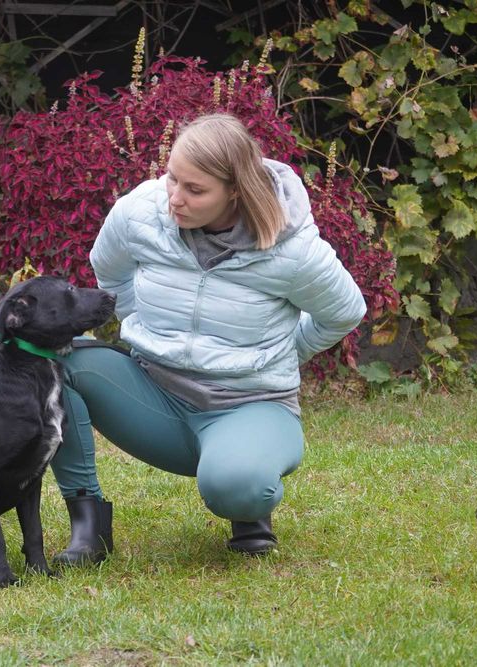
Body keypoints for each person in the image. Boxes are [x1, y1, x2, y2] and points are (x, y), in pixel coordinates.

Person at [49, 113, 366, 564]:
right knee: (56, 362)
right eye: (172, 179)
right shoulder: (141, 212)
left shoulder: (291, 249)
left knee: (237, 486)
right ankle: (89, 526)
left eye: (195, 190)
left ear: (235, 190)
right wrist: (138, 324)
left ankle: (246, 500)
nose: (175, 198)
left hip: (248, 404)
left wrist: (286, 352)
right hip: (151, 393)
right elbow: (109, 273)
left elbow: (345, 312)